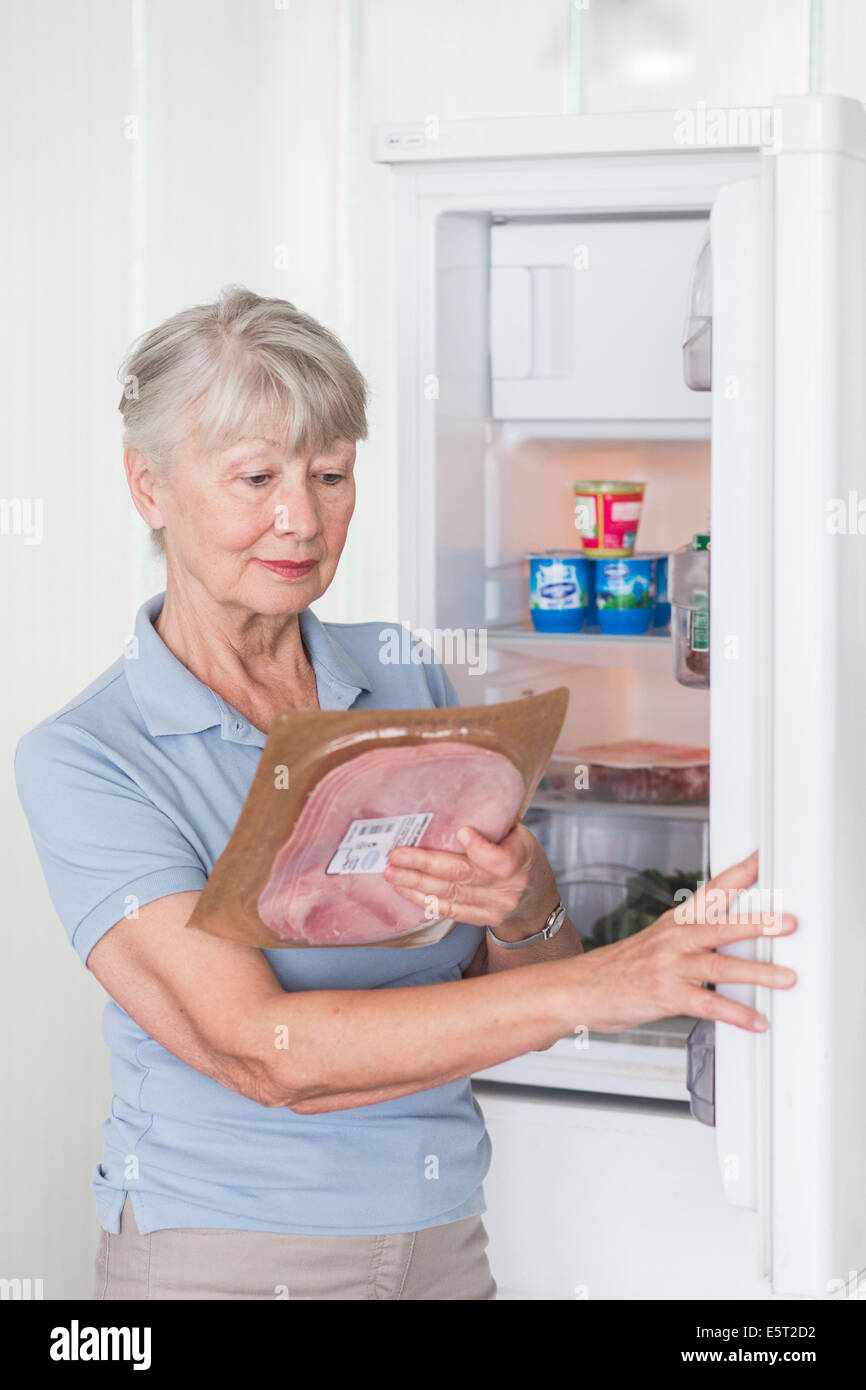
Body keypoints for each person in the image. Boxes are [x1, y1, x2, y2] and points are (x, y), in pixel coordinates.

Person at [14, 286, 797, 1301]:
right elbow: (264, 1053)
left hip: (441, 1240)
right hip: (225, 1260)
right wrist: (607, 978)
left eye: (331, 474)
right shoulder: (89, 755)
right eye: (256, 477)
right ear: (148, 486)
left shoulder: (397, 677)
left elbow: (507, 989)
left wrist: (526, 905)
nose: (301, 518)